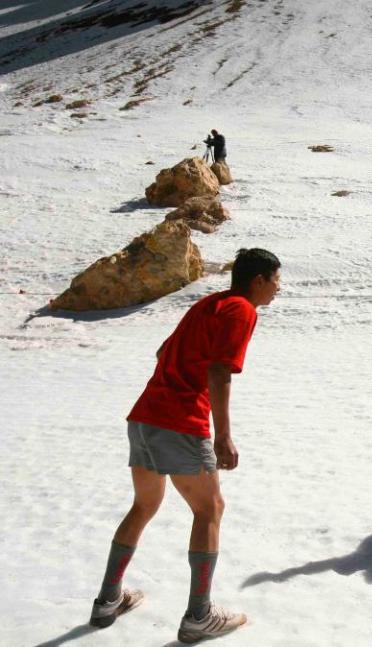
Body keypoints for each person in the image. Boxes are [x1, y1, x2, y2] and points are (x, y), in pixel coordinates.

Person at [88, 248, 281, 643]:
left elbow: (163, 351)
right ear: (258, 280)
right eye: (276, 279)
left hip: (144, 416)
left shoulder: (209, 303)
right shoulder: (242, 309)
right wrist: (223, 433)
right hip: (180, 421)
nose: (279, 288)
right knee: (209, 509)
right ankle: (199, 615)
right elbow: (218, 369)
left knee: (144, 505)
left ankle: (108, 600)